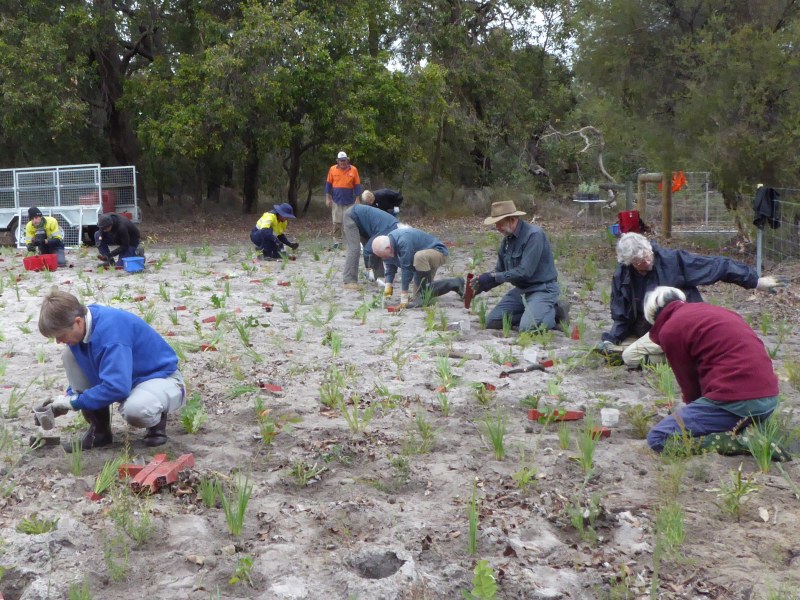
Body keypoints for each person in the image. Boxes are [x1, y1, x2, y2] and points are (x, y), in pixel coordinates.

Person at [599, 232, 787, 367]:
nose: (646, 262)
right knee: (616, 352)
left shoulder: (673, 261)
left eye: (648, 256)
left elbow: (718, 266)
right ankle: (682, 355)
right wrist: (611, 339)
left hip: (681, 327)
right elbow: (621, 315)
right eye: (639, 262)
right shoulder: (622, 276)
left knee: (629, 357)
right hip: (648, 330)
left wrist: (755, 281)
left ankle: (685, 356)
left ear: (650, 249)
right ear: (628, 263)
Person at [36, 288, 186, 451]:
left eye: (60, 335)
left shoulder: (111, 335)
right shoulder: (85, 324)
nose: (58, 341)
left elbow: (117, 388)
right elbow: (91, 371)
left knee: (136, 410)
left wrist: (73, 403)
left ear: (78, 322)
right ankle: (99, 432)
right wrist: (64, 400)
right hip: (126, 378)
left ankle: (156, 426)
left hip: (160, 378)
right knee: (69, 355)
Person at [643, 286, 779, 453]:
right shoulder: (713, 311)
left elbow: (689, 384)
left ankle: (735, 442)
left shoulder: (670, 329)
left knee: (658, 438)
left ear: (654, 317)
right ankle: (746, 430)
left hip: (736, 401)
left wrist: (693, 410)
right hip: (769, 399)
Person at [469, 201, 564, 331]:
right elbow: (500, 271)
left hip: (543, 289)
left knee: (528, 328)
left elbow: (524, 272)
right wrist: (481, 285)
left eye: (499, 223)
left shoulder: (534, 235)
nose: (497, 227)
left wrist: (493, 277)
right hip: (521, 290)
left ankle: (555, 311)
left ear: (512, 220)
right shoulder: (507, 240)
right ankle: (534, 311)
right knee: (492, 322)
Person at [372, 228, 464, 308]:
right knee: (420, 295)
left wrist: (404, 295)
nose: (383, 258)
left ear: (388, 248)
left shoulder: (403, 240)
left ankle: (425, 292)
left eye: (383, 256)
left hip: (437, 252)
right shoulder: (388, 244)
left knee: (419, 257)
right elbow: (390, 266)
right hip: (421, 264)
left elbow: (406, 269)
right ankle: (455, 283)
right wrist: (388, 285)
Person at [343, 204, 398, 290]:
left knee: (379, 249)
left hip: (366, 226)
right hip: (352, 216)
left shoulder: (396, 233)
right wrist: (369, 269)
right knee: (355, 248)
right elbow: (368, 250)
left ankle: (379, 277)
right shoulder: (388, 231)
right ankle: (349, 281)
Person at [325, 151, 362, 237]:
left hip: (349, 201)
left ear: (347, 160)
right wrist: (327, 198)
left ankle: (350, 241)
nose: (342, 162)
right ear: (337, 161)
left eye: (344, 160)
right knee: (337, 222)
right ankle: (337, 242)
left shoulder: (354, 170)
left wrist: (357, 198)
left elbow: (357, 185)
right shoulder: (332, 169)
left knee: (349, 222)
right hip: (336, 200)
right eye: (341, 160)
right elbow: (328, 184)